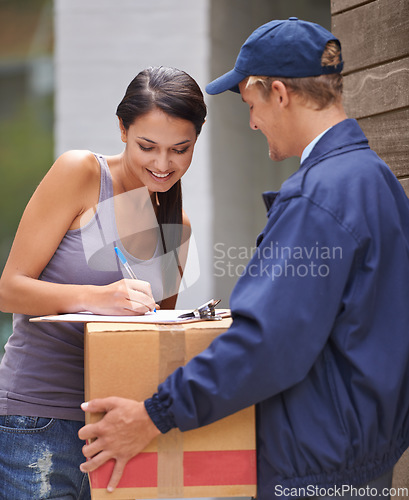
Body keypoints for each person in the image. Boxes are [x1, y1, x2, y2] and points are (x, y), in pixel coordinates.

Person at [78, 18, 409, 500]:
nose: (252, 122)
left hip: (314, 470)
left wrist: (153, 415)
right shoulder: (375, 180)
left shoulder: (317, 197)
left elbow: (266, 344)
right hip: (368, 457)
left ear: (278, 93)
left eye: (251, 105)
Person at [0, 66, 207, 500]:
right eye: (147, 146)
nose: (163, 164)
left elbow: (153, 339)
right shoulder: (81, 174)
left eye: (180, 150)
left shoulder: (177, 225)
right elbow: (9, 288)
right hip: (37, 423)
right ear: (121, 129)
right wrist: (99, 298)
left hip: (119, 432)